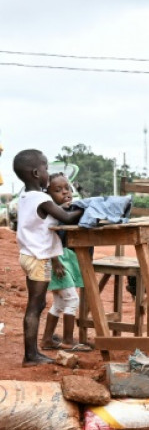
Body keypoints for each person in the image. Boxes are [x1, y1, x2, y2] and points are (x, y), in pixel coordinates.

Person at [12, 149, 83, 367]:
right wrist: (83, 208)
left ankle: (32, 353)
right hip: (38, 258)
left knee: (36, 303)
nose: (46, 172)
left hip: (27, 255)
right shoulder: (42, 198)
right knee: (35, 305)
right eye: (45, 168)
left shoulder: (25, 196)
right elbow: (68, 218)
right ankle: (31, 355)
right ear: (36, 172)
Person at [40, 173, 91, 352]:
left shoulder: (63, 209)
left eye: (67, 188)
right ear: (48, 194)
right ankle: (69, 341)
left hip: (62, 259)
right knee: (72, 300)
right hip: (57, 261)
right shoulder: (51, 211)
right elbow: (46, 238)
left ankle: (47, 340)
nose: (65, 192)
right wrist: (55, 262)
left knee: (60, 303)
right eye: (58, 190)